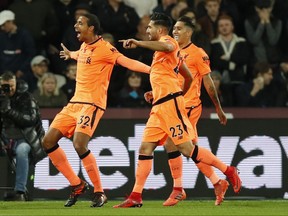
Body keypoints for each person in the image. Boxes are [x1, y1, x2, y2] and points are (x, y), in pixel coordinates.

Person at [114, 12, 241, 208]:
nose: (147, 30)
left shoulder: (168, 43)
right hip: (161, 105)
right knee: (146, 148)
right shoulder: (171, 53)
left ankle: (226, 171)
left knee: (184, 147)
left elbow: (201, 78)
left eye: (150, 27)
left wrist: (139, 43)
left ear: (160, 30)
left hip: (177, 106)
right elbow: (187, 76)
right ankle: (136, 195)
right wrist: (161, 93)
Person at [41, 13, 150, 208]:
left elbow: (127, 62)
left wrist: (153, 70)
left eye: (80, 23)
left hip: (92, 104)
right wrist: (70, 54)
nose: (76, 26)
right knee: (48, 141)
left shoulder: (106, 49)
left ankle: (100, 192)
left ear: (91, 28)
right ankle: (77, 184)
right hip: (74, 103)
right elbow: (81, 56)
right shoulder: (83, 47)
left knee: (79, 144)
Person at [160, 15, 232, 207]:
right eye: (173, 28)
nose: (174, 31)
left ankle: (180, 189)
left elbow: (208, 82)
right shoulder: (171, 51)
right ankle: (218, 181)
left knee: (173, 144)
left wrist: (218, 108)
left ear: (189, 32)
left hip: (189, 107)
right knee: (188, 150)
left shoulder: (198, 54)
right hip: (173, 105)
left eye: (179, 28)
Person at [0, 71, 46, 201]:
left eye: (11, 85)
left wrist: (9, 111)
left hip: (25, 138)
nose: (9, 89)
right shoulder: (1, 98)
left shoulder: (27, 98)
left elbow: (30, 120)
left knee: (21, 151)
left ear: (16, 83)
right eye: (4, 86)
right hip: (5, 137)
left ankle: (20, 190)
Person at [0, 10, 36, 78]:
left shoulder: (24, 35)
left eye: (3, 25)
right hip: (3, 74)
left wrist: (22, 70)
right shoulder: (1, 36)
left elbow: (31, 54)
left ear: (10, 22)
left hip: (19, 74)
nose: (2, 28)